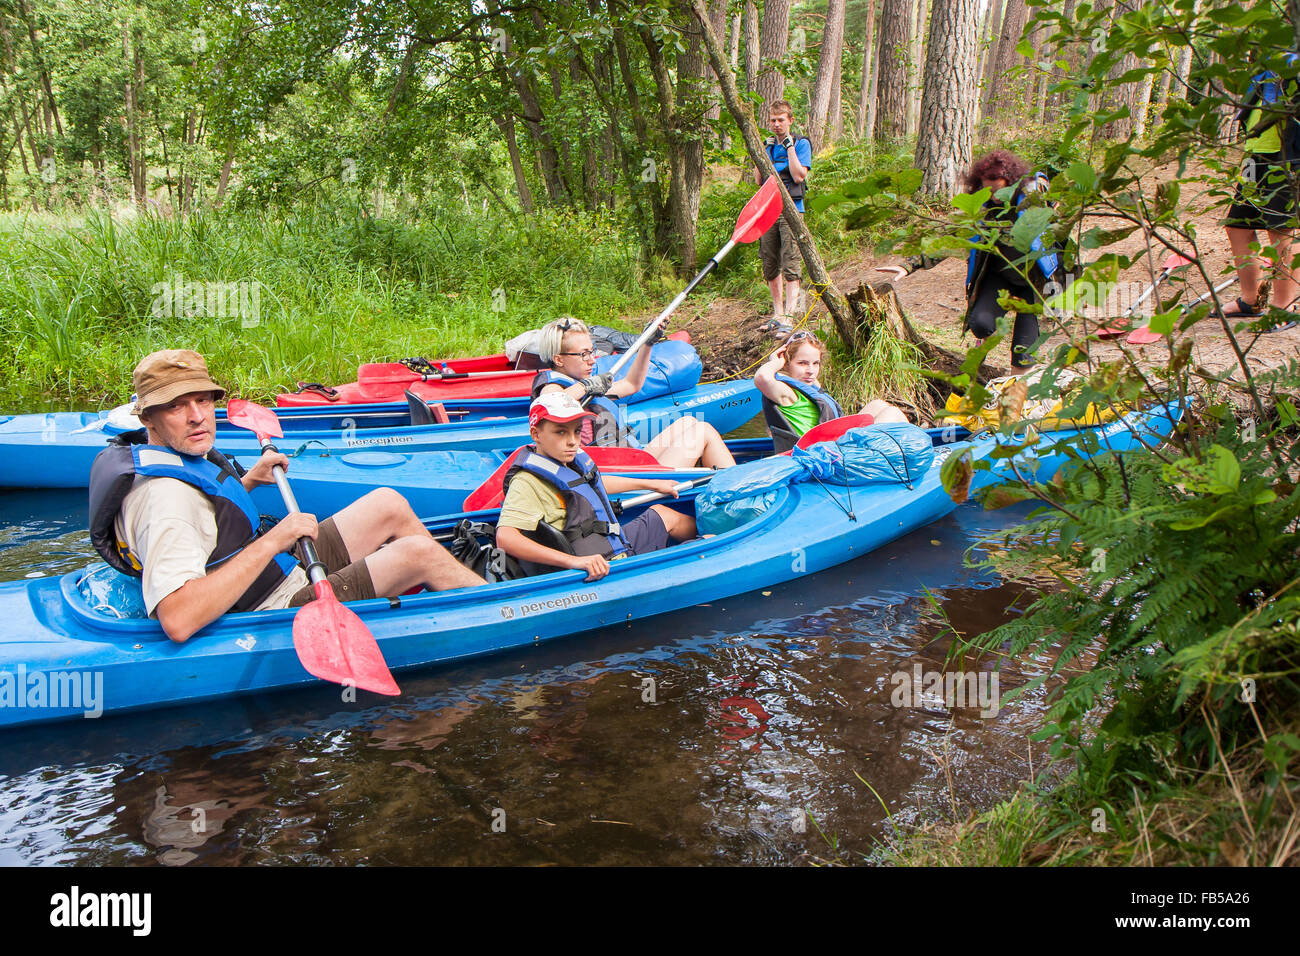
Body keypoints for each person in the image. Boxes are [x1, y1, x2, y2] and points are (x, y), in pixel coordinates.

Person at [88, 349, 484, 643]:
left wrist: (249, 484)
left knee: (388, 504)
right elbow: (178, 619)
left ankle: (438, 594)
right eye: (176, 406)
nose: (197, 416)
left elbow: (205, 527)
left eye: (203, 400)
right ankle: (491, 608)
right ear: (147, 417)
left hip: (275, 569)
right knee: (420, 552)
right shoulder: (165, 502)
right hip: (272, 607)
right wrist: (277, 539)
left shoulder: (176, 452)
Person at [877, 151, 1061, 370]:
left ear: (1011, 183)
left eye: (998, 189)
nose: (993, 195)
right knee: (981, 325)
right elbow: (948, 237)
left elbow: (1057, 220)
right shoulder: (980, 212)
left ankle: (1017, 392)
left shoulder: (1031, 200)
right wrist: (907, 266)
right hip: (999, 276)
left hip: (1034, 282)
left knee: (1024, 349)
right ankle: (981, 349)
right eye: (987, 190)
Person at [495, 392, 697, 581]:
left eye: (576, 431)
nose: (572, 442)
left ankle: (719, 536)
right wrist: (574, 562)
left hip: (615, 546)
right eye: (560, 433)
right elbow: (505, 538)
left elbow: (592, 485)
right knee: (704, 544)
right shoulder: (527, 482)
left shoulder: (567, 460)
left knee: (663, 513)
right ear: (536, 434)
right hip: (599, 568)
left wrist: (651, 484)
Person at [531, 316, 736, 469]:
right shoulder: (552, 386)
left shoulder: (584, 383)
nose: (592, 359)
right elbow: (548, 403)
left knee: (689, 423)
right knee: (703, 432)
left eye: (592, 351)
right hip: (619, 472)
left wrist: (647, 344)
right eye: (583, 354)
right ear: (558, 360)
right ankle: (738, 494)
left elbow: (632, 384)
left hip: (633, 458)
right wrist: (587, 386)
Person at [1217, 52, 1300, 327]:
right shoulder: (1266, 57)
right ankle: (1252, 301)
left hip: (1285, 155)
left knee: (1280, 228)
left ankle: (1284, 306)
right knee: (1238, 224)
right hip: (1256, 153)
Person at [755, 330, 909, 453]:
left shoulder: (807, 386)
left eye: (815, 363)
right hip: (824, 457)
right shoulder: (787, 393)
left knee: (878, 404)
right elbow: (762, 377)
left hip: (835, 446)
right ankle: (914, 455)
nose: (810, 370)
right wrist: (776, 361)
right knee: (893, 413)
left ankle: (907, 453)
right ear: (786, 364)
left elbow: (815, 386)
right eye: (802, 363)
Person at [758, 100, 813, 325]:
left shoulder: (801, 144)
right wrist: (762, 152)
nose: (777, 124)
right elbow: (759, 180)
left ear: (790, 120)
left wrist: (789, 147)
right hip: (768, 210)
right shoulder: (769, 146)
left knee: (790, 260)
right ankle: (777, 313)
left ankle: (790, 316)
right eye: (773, 120)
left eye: (781, 120)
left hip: (791, 208)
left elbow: (799, 175)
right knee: (769, 261)